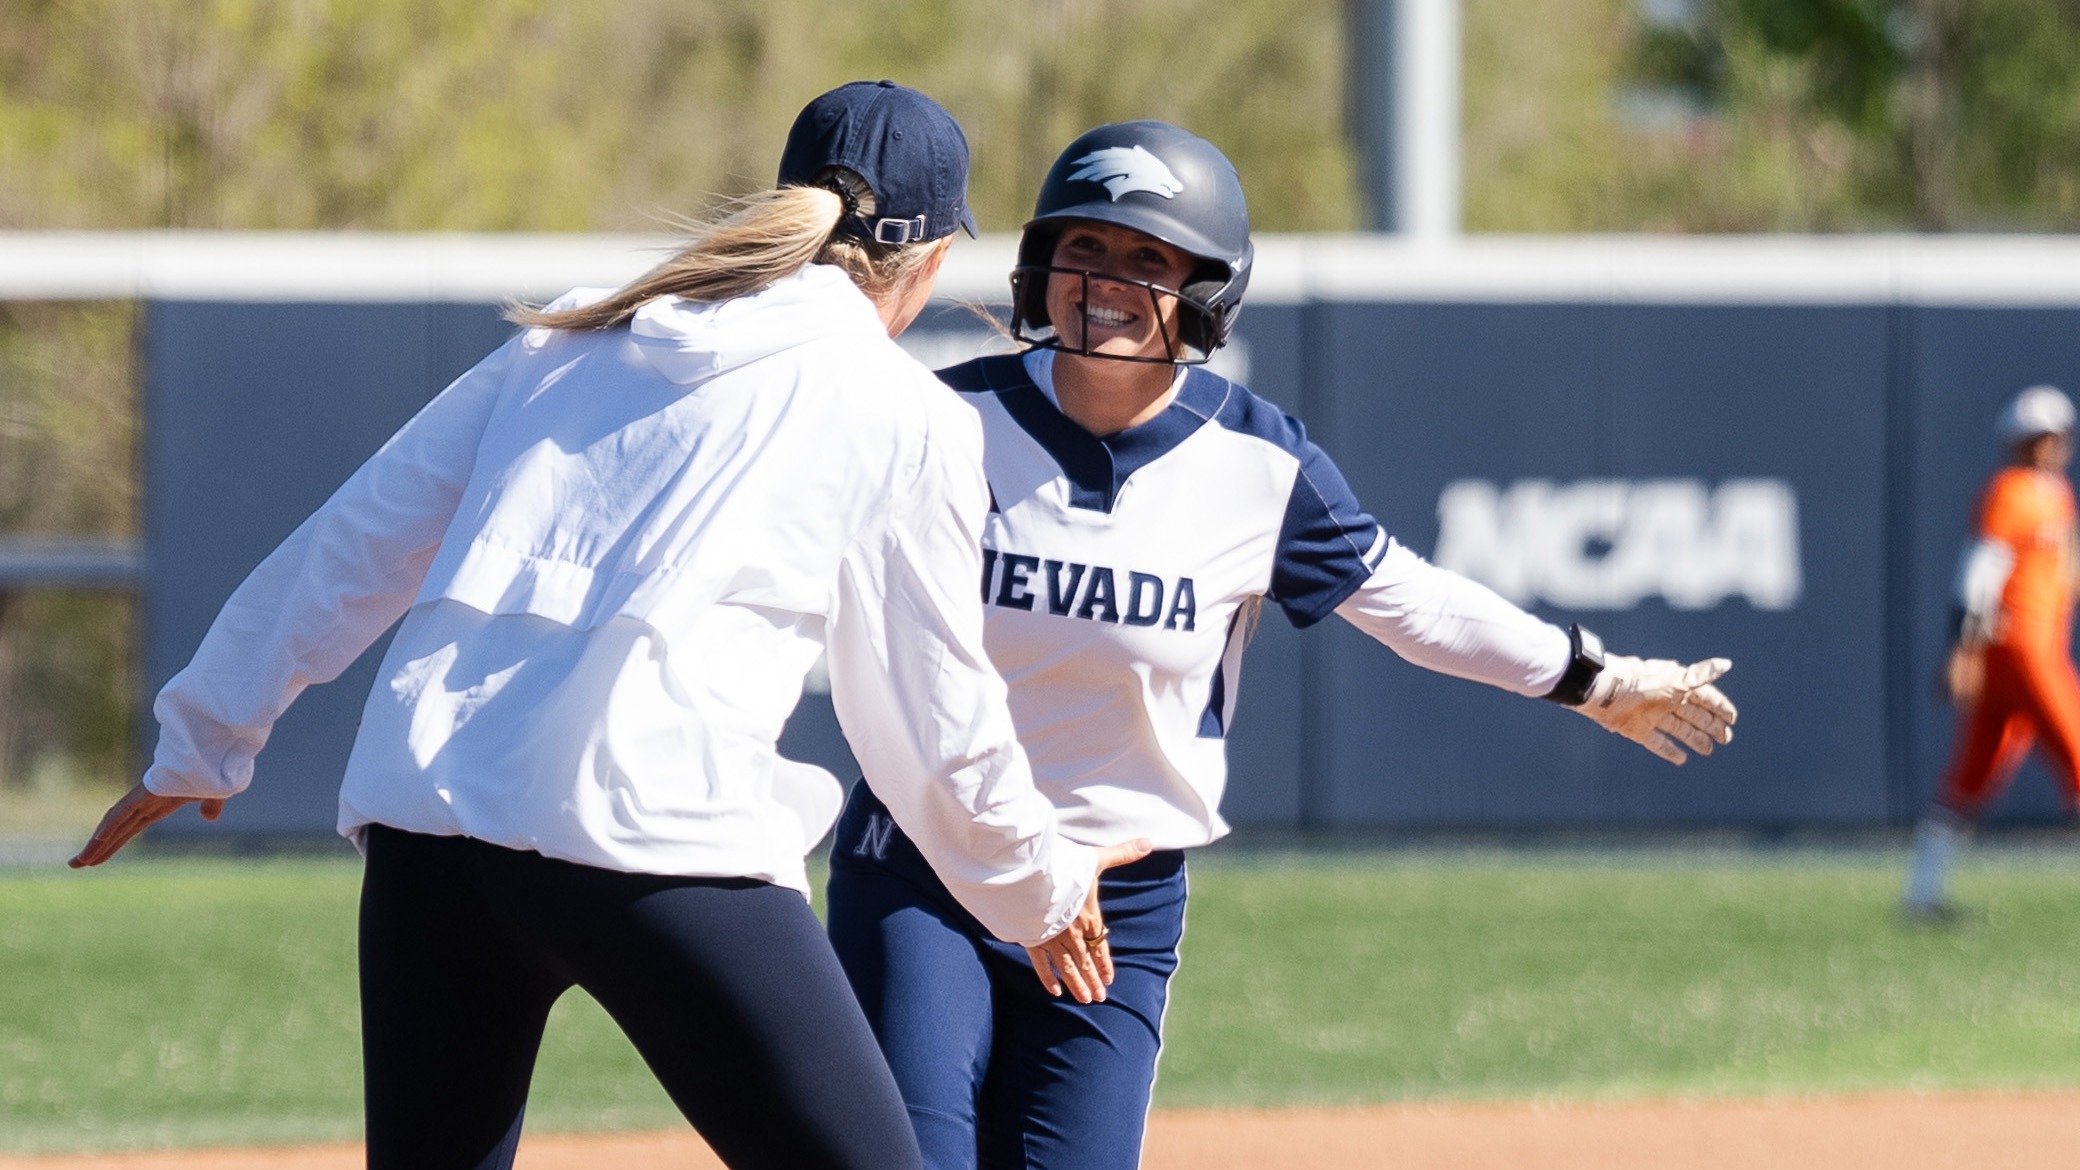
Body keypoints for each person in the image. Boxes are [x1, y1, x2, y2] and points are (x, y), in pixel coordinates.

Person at [68, 81, 1146, 1170]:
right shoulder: (900, 406)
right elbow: (928, 712)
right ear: (922, 263)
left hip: (432, 838)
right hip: (655, 843)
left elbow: (354, 542)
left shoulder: (576, 331)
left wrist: (205, 738)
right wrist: (1036, 885)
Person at [823, 120, 1741, 1170]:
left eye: (1148, 259)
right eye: (1085, 247)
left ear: (1211, 289)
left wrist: (1592, 678)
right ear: (1040, 265)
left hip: (1117, 896)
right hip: (928, 865)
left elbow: (1413, 603)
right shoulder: (944, 417)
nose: (1108, 280)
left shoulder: (1256, 464)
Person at [1903, 384, 2080, 921]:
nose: (2046, 448)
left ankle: (1922, 895)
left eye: (2053, 438)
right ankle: (1921, 894)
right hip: (2017, 646)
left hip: (2033, 643)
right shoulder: (2012, 491)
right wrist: (1963, 646)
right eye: (2035, 439)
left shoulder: (2056, 495)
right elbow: (1981, 568)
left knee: (1975, 772)